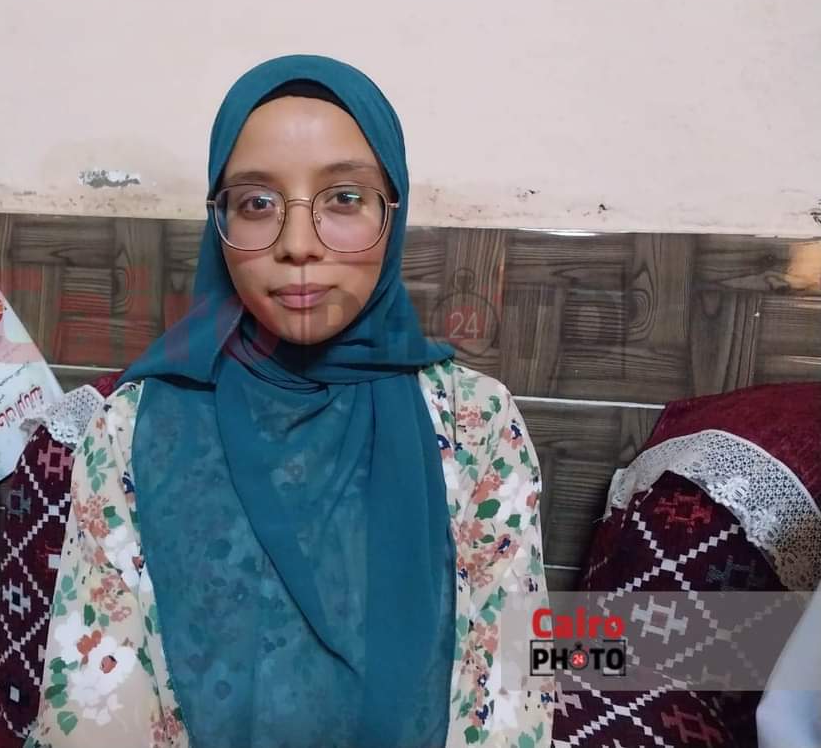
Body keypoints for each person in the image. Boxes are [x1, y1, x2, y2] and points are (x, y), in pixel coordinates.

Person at [27, 55, 553, 748]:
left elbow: (517, 681)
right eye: (256, 204)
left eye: (344, 198)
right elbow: (96, 699)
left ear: (393, 213)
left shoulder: (476, 423)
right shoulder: (134, 427)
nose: (298, 245)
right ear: (218, 220)